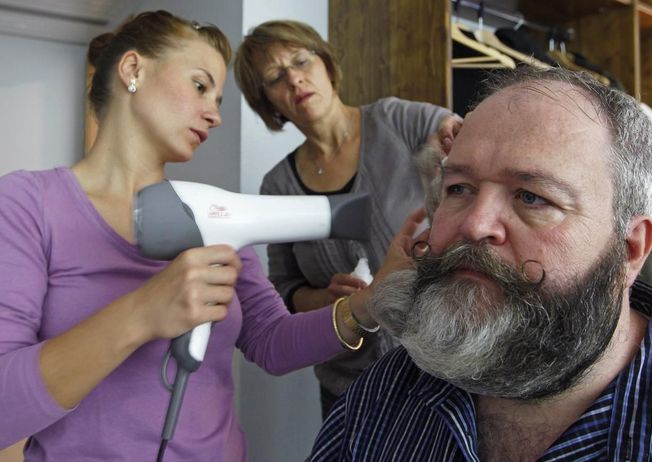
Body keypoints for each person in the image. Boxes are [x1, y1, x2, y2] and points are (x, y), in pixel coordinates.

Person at [0, 10, 389, 462]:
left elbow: (271, 340)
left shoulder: (210, 214)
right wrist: (143, 312)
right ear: (133, 70)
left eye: (219, 99)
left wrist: (368, 304)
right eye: (201, 86)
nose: (215, 116)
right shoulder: (28, 204)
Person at [310, 66, 652, 460]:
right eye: (459, 189)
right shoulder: (385, 395)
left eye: (531, 197)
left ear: (630, 249)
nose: (473, 224)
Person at [233, 20, 461, 417]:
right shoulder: (278, 186)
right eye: (275, 77)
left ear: (325, 64)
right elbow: (285, 288)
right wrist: (327, 299)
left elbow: (454, 135)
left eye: (302, 61)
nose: (295, 79)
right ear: (266, 100)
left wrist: (452, 139)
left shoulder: (397, 121)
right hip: (347, 391)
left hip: (436, 370)